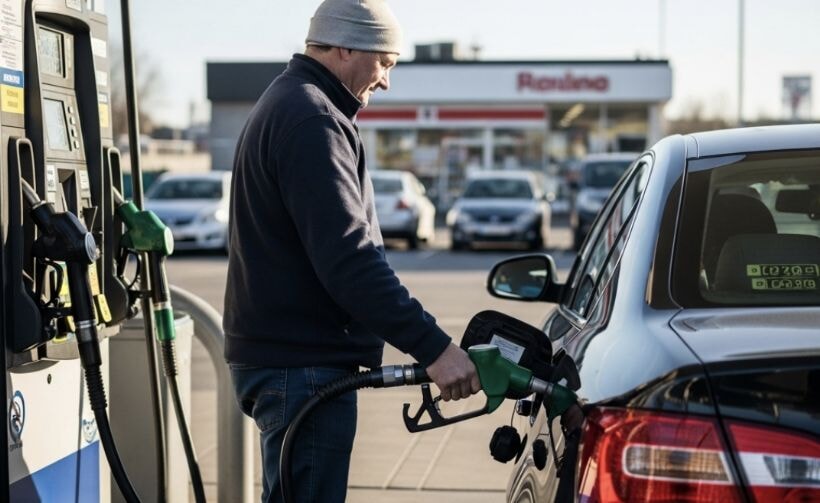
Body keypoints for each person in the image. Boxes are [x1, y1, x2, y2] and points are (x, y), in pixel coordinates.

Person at [222, 1, 481, 501]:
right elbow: (349, 260)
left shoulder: (291, 102)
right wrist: (434, 349)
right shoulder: (311, 119)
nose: (386, 81)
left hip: (289, 362)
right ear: (345, 47)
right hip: (302, 368)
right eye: (385, 63)